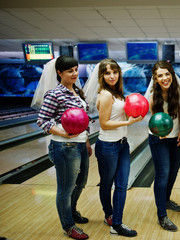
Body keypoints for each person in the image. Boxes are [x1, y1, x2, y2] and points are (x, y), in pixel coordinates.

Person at [83, 59, 142, 237]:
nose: (112, 76)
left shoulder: (117, 93)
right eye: (107, 73)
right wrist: (129, 121)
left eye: (115, 72)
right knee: (107, 184)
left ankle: (116, 223)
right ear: (101, 76)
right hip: (108, 146)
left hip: (123, 145)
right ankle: (109, 214)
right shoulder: (106, 95)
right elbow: (104, 124)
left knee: (122, 185)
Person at [35, 56, 92, 240]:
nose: (75, 73)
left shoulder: (77, 91)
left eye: (76, 69)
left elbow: (83, 120)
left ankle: (72, 211)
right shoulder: (54, 94)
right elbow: (42, 121)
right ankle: (68, 225)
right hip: (64, 147)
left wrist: (87, 142)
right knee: (65, 189)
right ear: (59, 73)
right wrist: (62, 133)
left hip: (80, 144)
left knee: (81, 182)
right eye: (70, 71)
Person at [145, 61, 180, 232]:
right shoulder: (153, 95)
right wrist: (158, 132)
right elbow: (154, 117)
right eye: (160, 75)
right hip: (158, 138)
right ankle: (162, 215)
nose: (164, 78)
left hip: (175, 136)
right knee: (163, 173)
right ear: (155, 78)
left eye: (167, 74)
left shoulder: (177, 90)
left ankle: (166, 200)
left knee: (174, 170)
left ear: (171, 74)